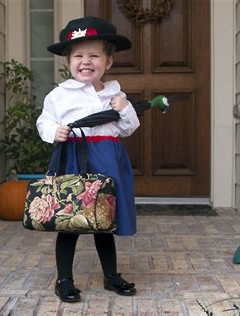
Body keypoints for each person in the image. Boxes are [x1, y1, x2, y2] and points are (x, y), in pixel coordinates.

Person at [36, 16, 140, 303]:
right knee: (70, 220)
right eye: (78, 55)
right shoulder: (60, 95)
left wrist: (125, 108)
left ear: (107, 62)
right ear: (68, 61)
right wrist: (53, 132)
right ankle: (64, 280)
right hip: (74, 161)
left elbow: (127, 128)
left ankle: (111, 275)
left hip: (107, 160)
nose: (85, 61)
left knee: (102, 219)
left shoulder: (114, 94)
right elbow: (44, 121)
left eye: (94, 55)